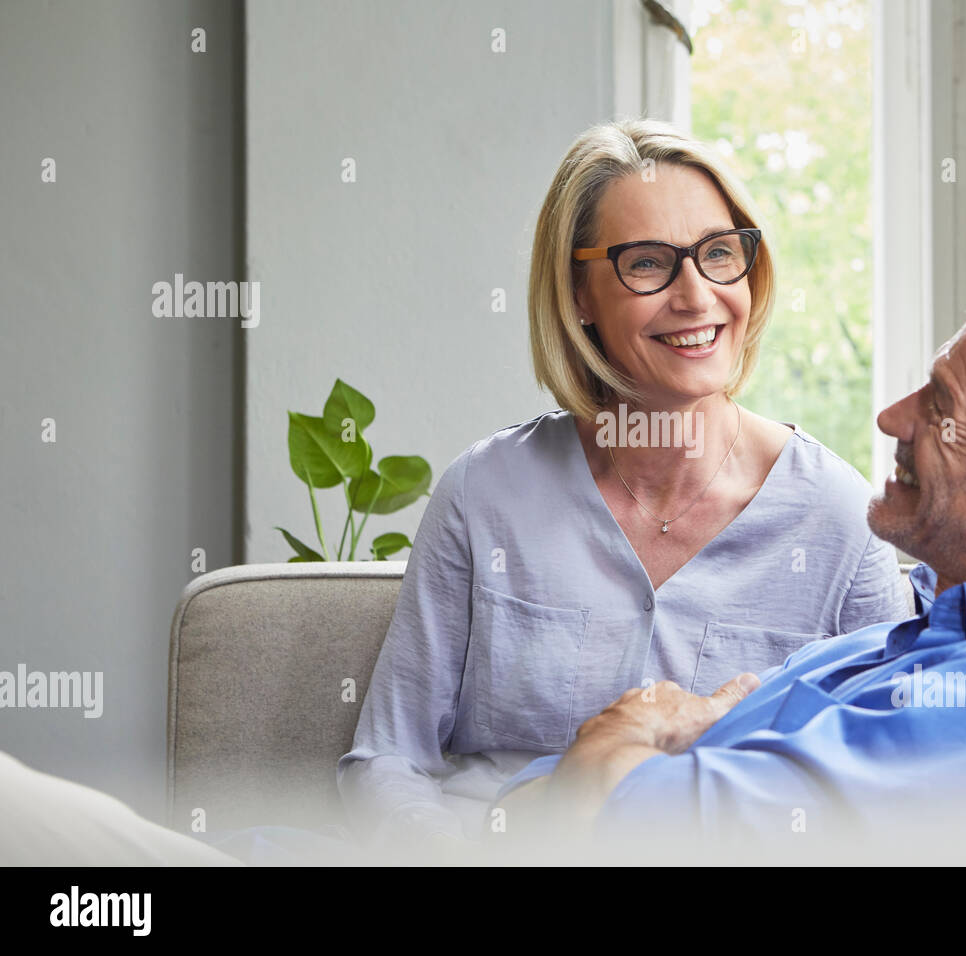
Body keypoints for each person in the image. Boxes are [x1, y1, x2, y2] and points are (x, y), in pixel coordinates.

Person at [494, 243, 966, 843]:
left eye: (941, 406)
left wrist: (632, 723)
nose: (890, 417)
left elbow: (606, 823)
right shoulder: (908, 631)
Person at [338, 119, 912, 847]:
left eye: (718, 254)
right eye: (647, 264)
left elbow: (884, 791)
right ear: (579, 293)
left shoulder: (838, 520)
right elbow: (386, 759)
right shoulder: (484, 496)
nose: (697, 296)